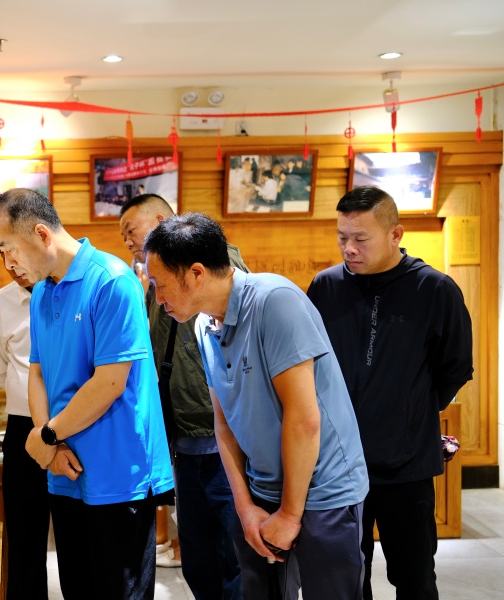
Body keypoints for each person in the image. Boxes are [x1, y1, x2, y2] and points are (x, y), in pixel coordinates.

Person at [144, 212, 369, 599]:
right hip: (262, 492)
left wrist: (290, 515)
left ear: (196, 273)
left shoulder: (273, 301)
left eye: (160, 285)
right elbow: (224, 425)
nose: (158, 298)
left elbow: (303, 419)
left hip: (324, 493)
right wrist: (246, 507)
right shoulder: (202, 325)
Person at [0, 188, 173, 600]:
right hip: (65, 470)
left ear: (41, 234)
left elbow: (109, 382)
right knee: (77, 589)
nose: (8, 262)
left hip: (117, 473)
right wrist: (48, 443)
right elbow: (37, 372)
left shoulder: (112, 281)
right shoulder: (41, 292)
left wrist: (47, 435)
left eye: (8, 248)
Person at [306, 186, 473, 600]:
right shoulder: (325, 287)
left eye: (360, 238)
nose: (349, 248)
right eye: (342, 237)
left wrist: (411, 412)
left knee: (415, 580)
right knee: (346, 579)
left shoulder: (434, 289)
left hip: (407, 468)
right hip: (339, 466)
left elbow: (455, 367)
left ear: (395, 234)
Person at [119, 194, 245, 599]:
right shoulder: (154, 283)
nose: (128, 242)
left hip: (223, 442)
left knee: (235, 557)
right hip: (184, 442)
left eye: (131, 231)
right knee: (198, 556)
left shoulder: (216, 264)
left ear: (160, 220)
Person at [0, 252, 50, 600]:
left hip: (76, 423)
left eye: (15, 253)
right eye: (2, 254)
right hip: (22, 427)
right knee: (25, 537)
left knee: (78, 533)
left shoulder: (71, 293)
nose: (10, 264)